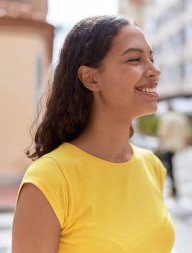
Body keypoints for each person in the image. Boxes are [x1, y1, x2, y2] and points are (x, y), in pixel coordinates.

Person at [12, 15, 175, 253]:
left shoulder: (152, 167)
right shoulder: (50, 178)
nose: (155, 70)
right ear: (90, 78)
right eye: (134, 59)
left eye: (151, 58)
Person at [157, 102, 191, 198]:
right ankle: (173, 188)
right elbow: (186, 133)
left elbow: (162, 133)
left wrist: (159, 144)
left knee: (168, 167)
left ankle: (172, 188)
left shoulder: (166, 117)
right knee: (170, 166)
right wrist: (185, 145)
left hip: (167, 146)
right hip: (177, 146)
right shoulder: (180, 117)